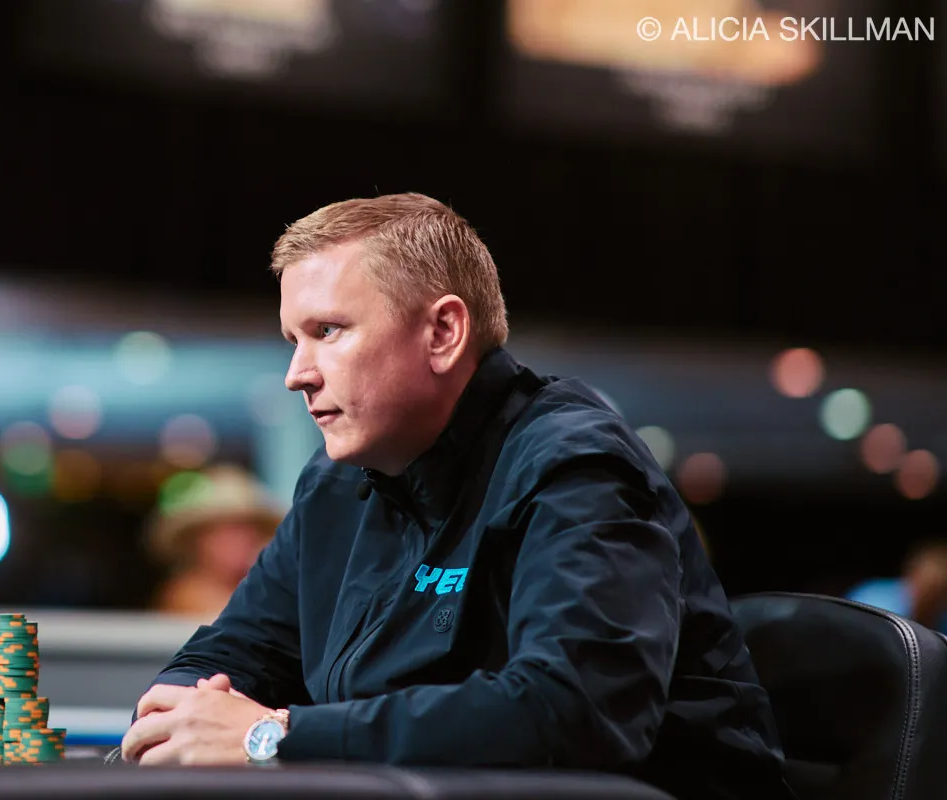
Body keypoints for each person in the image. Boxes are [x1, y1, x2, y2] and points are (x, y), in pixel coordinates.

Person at [120, 194, 795, 799]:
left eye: (328, 331)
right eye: (293, 340)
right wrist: (178, 718)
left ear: (443, 333)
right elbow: (229, 654)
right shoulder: (333, 486)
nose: (298, 373)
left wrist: (271, 737)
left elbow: (573, 712)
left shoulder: (575, 464)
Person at [146, 464, 285, 624]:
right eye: (226, 531)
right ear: (196, 541)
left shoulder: (258, 586)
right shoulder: (187, 594)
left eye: (248, 530)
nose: (240, 540)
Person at [845, 540, 947, 632]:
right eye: (928, 586)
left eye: (938, 591)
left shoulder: (942, 621)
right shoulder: (873, 601)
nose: (930, 595)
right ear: (912, 575)